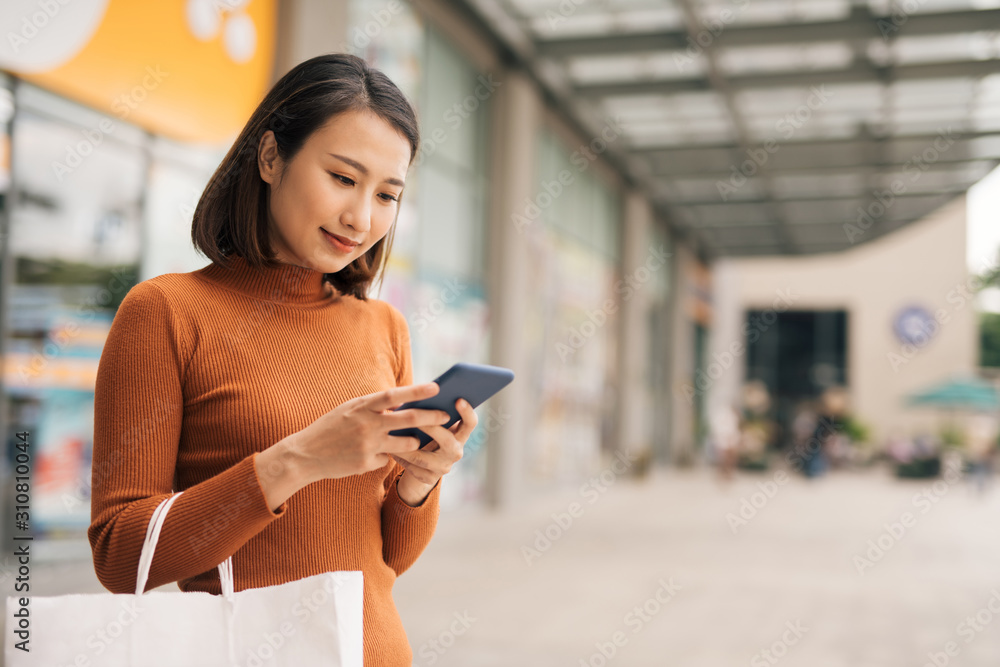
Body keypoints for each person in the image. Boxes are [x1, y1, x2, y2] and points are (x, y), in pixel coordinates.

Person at [87, 53, 478, 667]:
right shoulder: (166, 311)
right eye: (343, 179)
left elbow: (386, 561)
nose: (362, 217)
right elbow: (119, 556)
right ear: (270, 157)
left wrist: (419, 482)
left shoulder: (384, 326)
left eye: (387, 194)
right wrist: (296, 461)